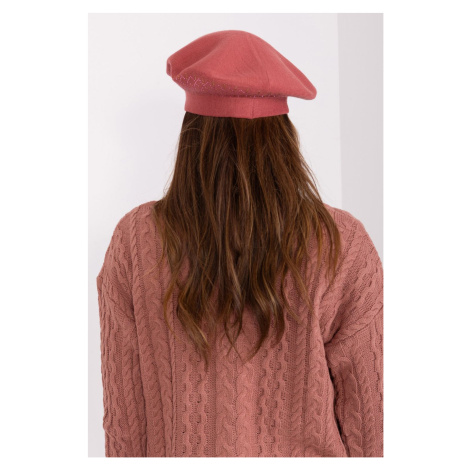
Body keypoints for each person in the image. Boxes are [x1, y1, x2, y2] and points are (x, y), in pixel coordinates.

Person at [96, 29, 383, 458]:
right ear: (284, 138)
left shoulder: (135, 241)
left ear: (192, 136)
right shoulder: (341, 243)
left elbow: (125, 427)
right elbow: (373, 427)